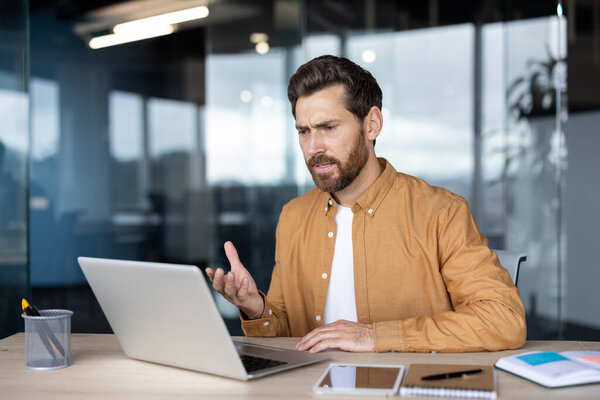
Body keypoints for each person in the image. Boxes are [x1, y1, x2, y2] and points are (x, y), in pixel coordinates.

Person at [206, 55, 526, 353]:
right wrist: (255, 308)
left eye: (329, 127)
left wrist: (375, 335)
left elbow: (503, 320)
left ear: (371, 124)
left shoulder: (441, 213)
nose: (313, 146)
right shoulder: (294, 215)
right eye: (304, 131)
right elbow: (286, 333)